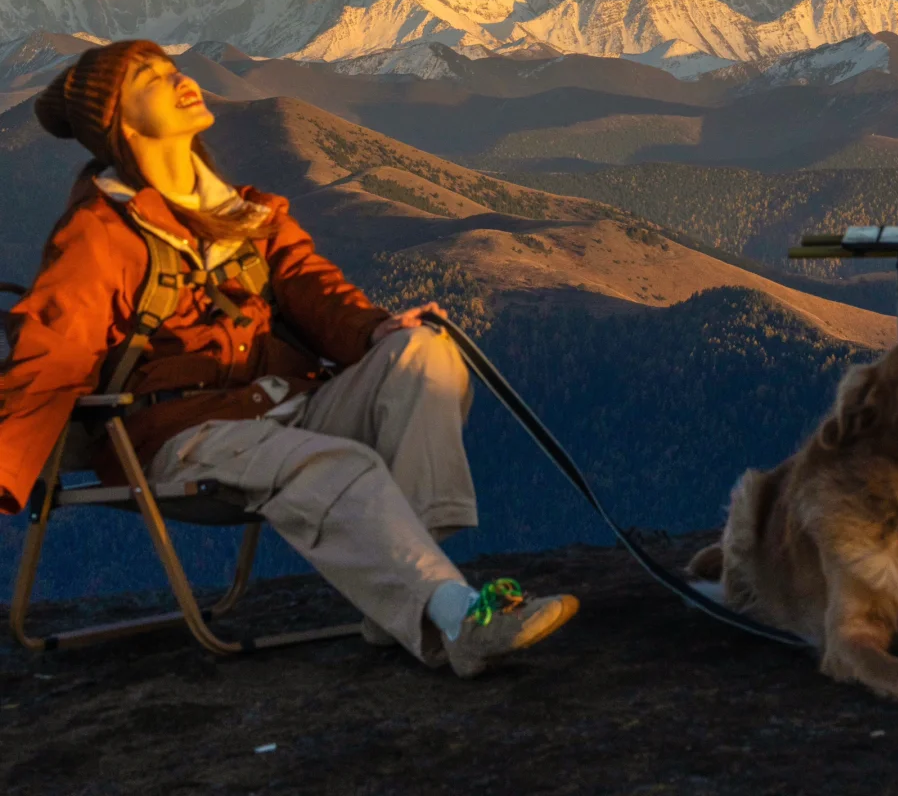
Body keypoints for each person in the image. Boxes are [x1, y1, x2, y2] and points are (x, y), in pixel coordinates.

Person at [0, 40, 578, 674]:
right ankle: (459, 619)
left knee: (425, 356)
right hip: (181, 437)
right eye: (152, 78)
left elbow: (318, 291)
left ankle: (415, 598)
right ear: (119, 119)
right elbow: (50, 351)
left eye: (173, 68)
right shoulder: (100, 232)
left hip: (284, 410)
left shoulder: (249, 215)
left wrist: (377, 332)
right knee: (334, 461)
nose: (180, 79)